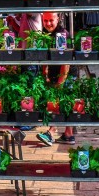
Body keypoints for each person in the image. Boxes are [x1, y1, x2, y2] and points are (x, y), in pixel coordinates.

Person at [36, 11, 75, 146]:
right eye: (45, 21)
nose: (48, 23)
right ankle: (68, 135)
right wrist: (45, 75)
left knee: (60, 102)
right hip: (54, 73)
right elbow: (45, 58)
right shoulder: (46, 35)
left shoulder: (62, 35)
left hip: (66, 74)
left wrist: (60, 83)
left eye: (51, 20)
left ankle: (52, 132)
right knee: (61, 103)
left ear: (58, 18)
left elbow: (66, 63)